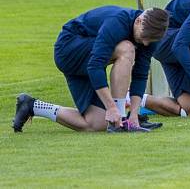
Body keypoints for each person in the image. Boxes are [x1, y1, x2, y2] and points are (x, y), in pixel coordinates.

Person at [13, 7, 169, 133]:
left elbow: (140, 75)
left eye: (151, 40)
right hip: (68, 50)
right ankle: (121, 118)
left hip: (88, 60)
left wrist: (134, 114)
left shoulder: (151, 35)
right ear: (139, 20)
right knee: (126, 48)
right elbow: (95, 65)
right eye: (144, 37)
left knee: (96, 123)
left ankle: (32, 105)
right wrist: (112, 108)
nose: (146, 43)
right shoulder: (117, 22)